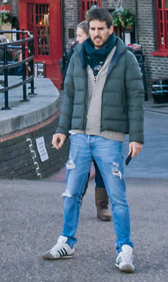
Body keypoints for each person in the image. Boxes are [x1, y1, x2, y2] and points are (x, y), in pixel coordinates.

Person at [43, 6, 144, 273]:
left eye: (101, 29)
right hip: (79, 135)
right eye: (93, 29)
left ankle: (124, 249)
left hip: (109, 137)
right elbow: (70, 94)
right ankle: (66, 241)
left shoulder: (126, 58)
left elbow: (135, 98)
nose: (96, 34)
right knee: (71, 193)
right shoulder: (78, 54)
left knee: (117, 196)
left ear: (111, 29)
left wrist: (137, 137)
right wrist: (61, 130)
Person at [60, 22, 112, 222]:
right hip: (80, 122)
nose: (78, 40)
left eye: (81, 36)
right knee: (79, 167)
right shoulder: (75, 56)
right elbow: (68, 87)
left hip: (102, 121)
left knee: (102, 167)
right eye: (80, 36)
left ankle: (102, 206)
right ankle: (75, 201)